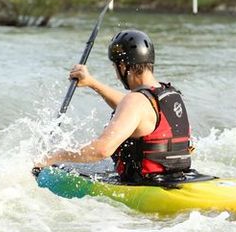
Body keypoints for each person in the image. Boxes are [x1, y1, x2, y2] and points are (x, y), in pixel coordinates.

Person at [36, 29, 193, 183]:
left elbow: (102, 150)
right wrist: (91, 82)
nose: (117, 75)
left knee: (58, 165)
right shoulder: (170, 95)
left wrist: (57, 156)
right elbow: (132, 109)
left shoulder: (135, 101)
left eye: (115, 67)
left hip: (146, 184)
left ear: (123, 66)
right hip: (176, 177)